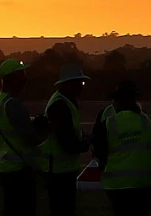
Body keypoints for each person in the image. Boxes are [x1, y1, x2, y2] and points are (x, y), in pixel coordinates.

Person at [92, 80, 151, 216]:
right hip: (145, 185)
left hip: (117, 186)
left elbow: (98, 152)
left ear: (116, 102)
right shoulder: (146, 121)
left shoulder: (108, 124)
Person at [0, 58, 50, 216]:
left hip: (6, 166)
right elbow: (30, 139)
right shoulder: (14, 104)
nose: (25, 79)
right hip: (19, 168)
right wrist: (45, 132)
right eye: (22, 75)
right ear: (13, 79)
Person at [38, 64, 92, 216]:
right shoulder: (60, 105)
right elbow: (67, 141)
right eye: (79, 83)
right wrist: (86, 143)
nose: (82, 87)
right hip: (58, 170)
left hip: (63, 168)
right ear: (68, 84)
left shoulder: (66, 101)